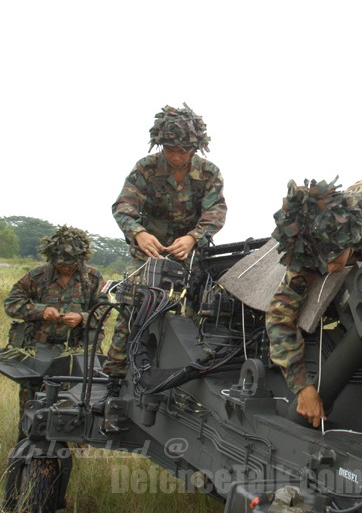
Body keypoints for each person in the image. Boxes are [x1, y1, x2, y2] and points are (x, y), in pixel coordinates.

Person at [97, 103, 227, 413]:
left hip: (189, 256)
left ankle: (183, 382)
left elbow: (216, 212)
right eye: (170, 148)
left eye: (183, 149)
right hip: (147, 253)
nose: (177, 156)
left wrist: (193, 238)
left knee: (194, 315)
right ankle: (116, 378)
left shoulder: (209, 173)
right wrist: (139, 233)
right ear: (161, 144)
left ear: (194, 147)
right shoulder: (146, 168)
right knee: (133, 308)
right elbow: (123, 207)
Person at [268, 177, 362, 428]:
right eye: (320, 259)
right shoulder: (307, 248)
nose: (328, 268)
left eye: (332, 256)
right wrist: (302, 387)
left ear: (348, 238)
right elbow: (279, 317)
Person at [3, 225, 106, 437]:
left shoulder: (93, 278)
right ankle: (27, 444)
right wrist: (41, 311)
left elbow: (105, 308)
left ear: (81, 259)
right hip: (40, 349)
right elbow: (11, 303)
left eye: (71, 264)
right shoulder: (37, 275)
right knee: (32, 400)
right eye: (60, 265)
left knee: (71, 401)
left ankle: (64, 444)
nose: (66, 269)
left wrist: (82, 318)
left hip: (74, 352)